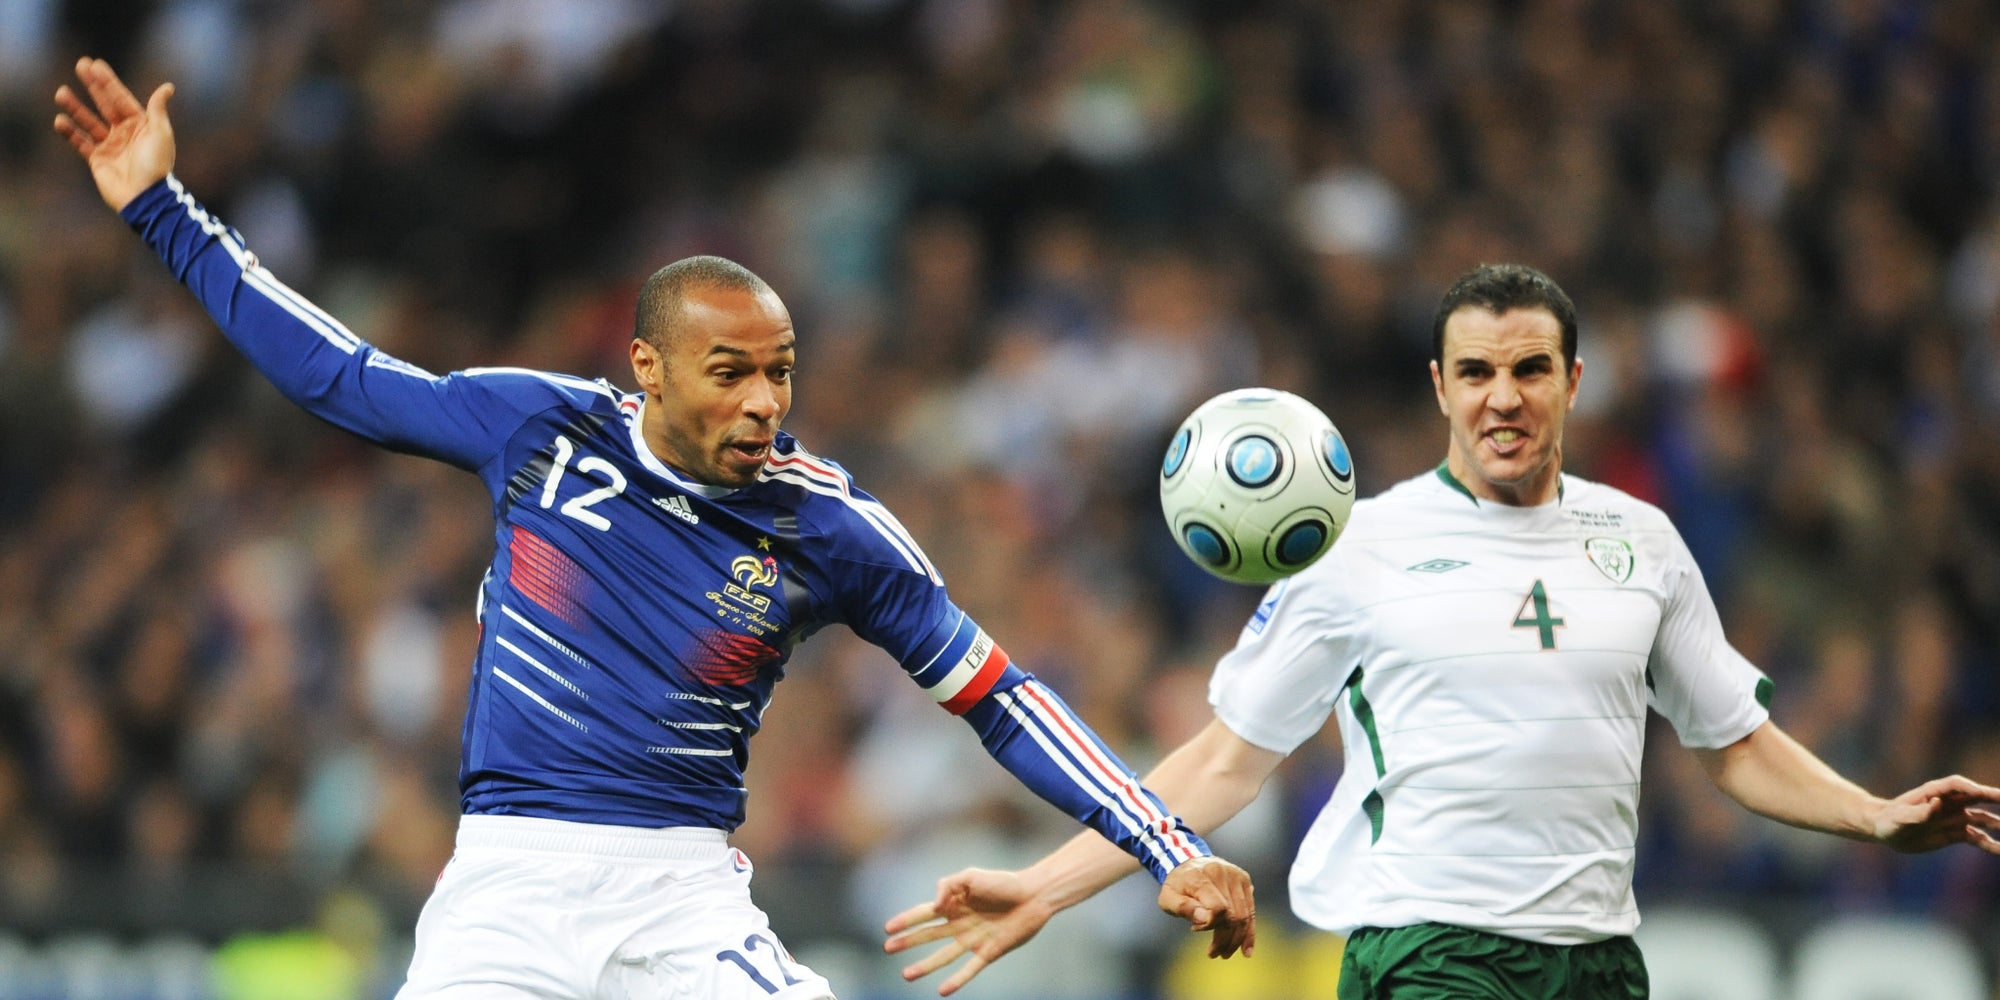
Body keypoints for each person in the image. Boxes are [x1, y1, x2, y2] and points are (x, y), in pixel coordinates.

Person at [53, 57, 1256, 1000]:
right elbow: (337, 375)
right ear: (647, 368)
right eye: (728, 371)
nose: (763, 400)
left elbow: (1001, 694)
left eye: (779, 371)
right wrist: (161, 209)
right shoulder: (541, 428)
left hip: (678, 896)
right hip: (506, 884)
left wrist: (1161, 845)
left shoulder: (827, 524)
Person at [883, 262, 2000, 998]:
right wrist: (1045, 881)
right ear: (1438, 386)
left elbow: (1730, 742)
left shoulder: (1643, 541)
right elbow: (1221, 762)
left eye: (1525, 370)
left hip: (1599, 961)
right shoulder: (1354, 548)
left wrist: (1870, 815)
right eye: (1474, 372)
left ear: (1570, 381)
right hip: (1427, 952)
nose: (1500, 397)